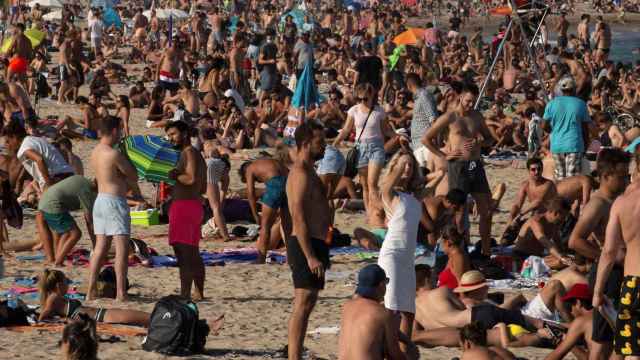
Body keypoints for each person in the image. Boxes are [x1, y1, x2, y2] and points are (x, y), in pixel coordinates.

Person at [423, 83, 495, 255]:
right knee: (458, 210)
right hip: (458, 166)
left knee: (486, 208)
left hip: (475, 164)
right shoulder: (450, 117)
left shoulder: (476, 116)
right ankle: (457, 249)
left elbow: (490, 139)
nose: (470, 105)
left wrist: (480, 142)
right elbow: (426, 139)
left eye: (473, 101)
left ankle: (486, 251)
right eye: (468, 101)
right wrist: (443, 155)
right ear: (460, 96)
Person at [285, 121, 330, 360]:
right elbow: (298, 216)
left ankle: (296, 353)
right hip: (305, 244)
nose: (324, 146)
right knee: (302, 303)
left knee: (309, 301)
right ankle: (294, 356)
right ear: (305, 143)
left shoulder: (310, 170)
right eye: (320, 142)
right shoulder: (300, 173)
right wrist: (310, 255)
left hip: (316, 242)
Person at [86, 116, 143, 302]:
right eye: (119, 130)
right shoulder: (114, 154)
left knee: (100, 247)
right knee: (121, 248)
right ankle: (121, 292)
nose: (120, 134)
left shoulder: (95, 152)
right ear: (113, 131)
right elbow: (134, 175)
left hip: (100, 200)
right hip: (114, 201)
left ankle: (90, 290)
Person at [593, 151, 640, 358]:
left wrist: (597, 291)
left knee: (632, 350)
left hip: (633, 283)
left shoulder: (622, 203)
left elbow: (609, 252)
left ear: (635, 168)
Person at [378, 150, 423, 344]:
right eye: (404, 165)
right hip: (392, 256)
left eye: (411, 166)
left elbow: (439, 173)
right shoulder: (391, 194)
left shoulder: (413, 197)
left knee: (408, 311)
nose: (407, 168)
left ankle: (403, 349)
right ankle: (389, 348)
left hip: (408, 258)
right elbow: (385, 186)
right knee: (391, 308)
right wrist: (403, 158)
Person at [334, 83, 394, 215]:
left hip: (376, 147)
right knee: (365, 185)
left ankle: (380, 211)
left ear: (372, 96)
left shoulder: (379, 111)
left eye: (365, 99)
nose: (362, 102)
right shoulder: (354, 110)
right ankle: (369, 212)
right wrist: (335, 143)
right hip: (360, 148)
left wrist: (398, 137)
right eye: (359, 99)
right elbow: (346, 130)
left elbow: (386, 130)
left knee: (372, 183)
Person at [338, 264, 419, 360]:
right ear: (381, 285)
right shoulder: (383, 313)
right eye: (386, 282)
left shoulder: (347, 306)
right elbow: (394, 355)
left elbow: (368, 331)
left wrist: (407, 341)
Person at [165, 120, 207, 301]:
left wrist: (175, 175)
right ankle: (198, 292)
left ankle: (185, 294)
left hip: (184, 207)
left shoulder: (188, 153)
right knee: (193, 253)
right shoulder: (196, 154)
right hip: (193, 205)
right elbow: (203, 187)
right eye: (169, 135)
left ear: (184, 133)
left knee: (183, 254)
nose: (170, 138)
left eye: (173, 134)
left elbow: (190, 180)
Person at [39, 269, 149, 326]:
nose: (68, 284)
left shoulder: (57, 297)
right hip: (98, 317)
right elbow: (42, 317)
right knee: (143, 318)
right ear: (59, 285)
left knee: (141, 316)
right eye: (66, 281)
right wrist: (65, 320)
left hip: (99, 314)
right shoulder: (53, 298)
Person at [38, 175, 96, 266]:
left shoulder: (82, 180)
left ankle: (58, 257)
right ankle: (58, 261)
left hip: (45, 202)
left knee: (66, 233)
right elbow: (89, 220)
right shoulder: (86, 190)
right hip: (53, 205)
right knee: (76, 234)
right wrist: (96, 246)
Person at [239, 158, 289, 263]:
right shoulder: (269, 161)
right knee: (286, 224)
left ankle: (261, 258)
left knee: (265, 226)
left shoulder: (250, 169)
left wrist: (255, 214)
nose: (259, 181)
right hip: (289, 182)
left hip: (275, 184)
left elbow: (250, 193)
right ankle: (290, 256)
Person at [543, 77, 591, 180]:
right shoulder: (580, 104)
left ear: (561, 89)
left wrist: (554, 131)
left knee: (560, 176)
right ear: (574, 89)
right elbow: (585, 129)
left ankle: (560, 195)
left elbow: (544, 126)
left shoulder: (551, 103)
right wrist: (585, 146)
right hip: (574, 143)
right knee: (572, 178)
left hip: (557, 144)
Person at [544, 284, 598, 360]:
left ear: (578, 303)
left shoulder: (581, 321)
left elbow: (557, 355)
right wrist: (566, 341)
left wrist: (565, 342)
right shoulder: (603, 317)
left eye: (570, 305)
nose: (571, 311)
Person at [405, 73, 438, 169]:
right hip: (419, 144)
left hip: (425, 144)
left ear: (409, 85)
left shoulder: (423, 95)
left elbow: (433, 118)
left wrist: (433, 142)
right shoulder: (419, 97)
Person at [437, 225, 471, 290]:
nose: (440, 245)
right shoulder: (452, 255)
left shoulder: (457, 255)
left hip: (453, 296)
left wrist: (463, 299)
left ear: (447, 242)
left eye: (441, 242)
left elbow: (461, 282)